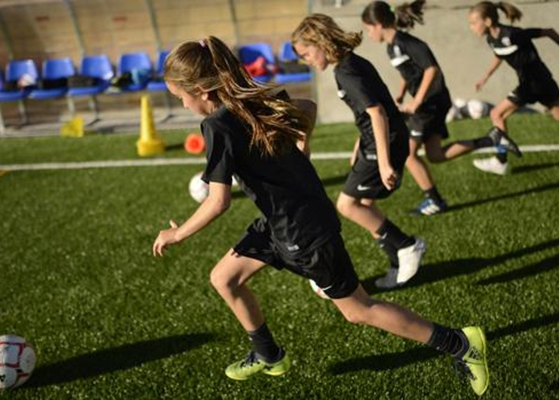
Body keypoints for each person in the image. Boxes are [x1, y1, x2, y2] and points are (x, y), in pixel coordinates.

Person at [152, 35, 489, 396]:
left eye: (180, 97)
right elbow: (308, 107)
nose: (183, 105)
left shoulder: (217, 124)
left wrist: (177, 234)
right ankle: (268, 354)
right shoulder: (255, 98)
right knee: (224, 278)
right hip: (282, 220)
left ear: (202, 90)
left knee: (359, 310)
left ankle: (459, 343)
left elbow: (218, 201)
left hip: (303, 231)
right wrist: (302, 142)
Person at [292, 13, 424, 289]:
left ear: (320, 41)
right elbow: (368, 113)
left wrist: (385, 164)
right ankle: (398, 261)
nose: (307, 61)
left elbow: (378, 114)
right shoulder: (350, 63)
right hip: (374, 142)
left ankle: (406, 245)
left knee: (347, 205)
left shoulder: (346, 70)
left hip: (384, 143)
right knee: (364, 205)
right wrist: (359, 148)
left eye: (306, 53)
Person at [361, 1, 522, 215]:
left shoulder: (407, 42)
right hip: (430, 103)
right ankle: (492, 139)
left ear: (379, 24)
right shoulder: (392, 47)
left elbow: (431, 70)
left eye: (368, 28)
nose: (369, 34)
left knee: (409, 155)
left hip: (431, 103)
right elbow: (409, 73)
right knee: (435, 155)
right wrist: (400, 94)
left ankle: (435, 200)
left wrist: (417, 101)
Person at [469, 1, 559, 175]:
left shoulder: (513, 34)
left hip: (535, 83)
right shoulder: (491, 39)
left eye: (474, 23)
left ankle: (500, 161)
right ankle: (500, 159)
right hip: (537, 83)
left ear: (488, 22)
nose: (471, 27)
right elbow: (500, 54)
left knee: (496, 114)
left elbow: (549, 31)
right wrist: (485, 77)